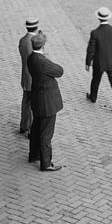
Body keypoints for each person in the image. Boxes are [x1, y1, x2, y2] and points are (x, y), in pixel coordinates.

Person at [27, 32, 64, 172]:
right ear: (43, 45)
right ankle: (46, 162)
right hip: (47, 102)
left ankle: (34, 155)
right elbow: (59, 71)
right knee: (46, 133)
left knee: (36, 128)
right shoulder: (42, 61)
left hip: (37, 99)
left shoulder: (31, 58)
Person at [85, 7, 112, 115]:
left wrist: (88, 62)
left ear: (99, 18)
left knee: (96, 80)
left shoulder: (95, 33)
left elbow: (91, 50)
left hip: (99, 62)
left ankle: (93, 97)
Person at [17, 17, 39, 137]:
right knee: (32, 104)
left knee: (25, 101)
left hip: (24, 74)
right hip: (33, 76)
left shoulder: (22, 40)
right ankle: (30, 129)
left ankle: (23, 124)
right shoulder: (34, 42)